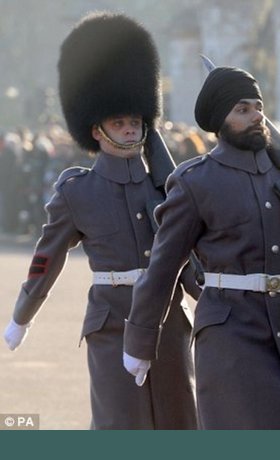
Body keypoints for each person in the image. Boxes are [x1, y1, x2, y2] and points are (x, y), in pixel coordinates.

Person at [122, 66, 280, 429]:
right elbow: (164, 267)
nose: (257, 116)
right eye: (242, 109)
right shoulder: (197, 182)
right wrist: (140, 339)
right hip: (232, 338)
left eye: (258, 107)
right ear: (218, 121)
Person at [2, 13, 198, 429]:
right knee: (120, 424)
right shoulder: (78, 191)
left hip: (168, 316)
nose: (129, 131)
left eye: (134, 123)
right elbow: (45, 259)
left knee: (178, 421)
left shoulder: (168, 185)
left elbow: (193, 257)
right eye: (118, 124)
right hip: (111, 322)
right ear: (96, 130)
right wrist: (22, 314)